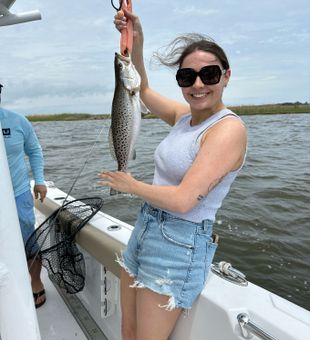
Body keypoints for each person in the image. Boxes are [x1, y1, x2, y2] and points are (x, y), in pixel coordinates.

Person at [98, 10, 247, 340]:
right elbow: (141, 87)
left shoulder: (227, 130)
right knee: (128, 330)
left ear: (226, 76)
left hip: (179, 244)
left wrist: (130, 185)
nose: (197, 84)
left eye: (209, 74)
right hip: (146, 227)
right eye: (186, 77)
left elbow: (183, 201)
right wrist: (135, 37)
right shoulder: (184, 117)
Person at [0, 84, 47, 308]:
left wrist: (39, 180)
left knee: (28, 239)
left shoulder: (17, 121)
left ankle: (35, 282)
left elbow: (34, 150)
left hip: (18, 194)